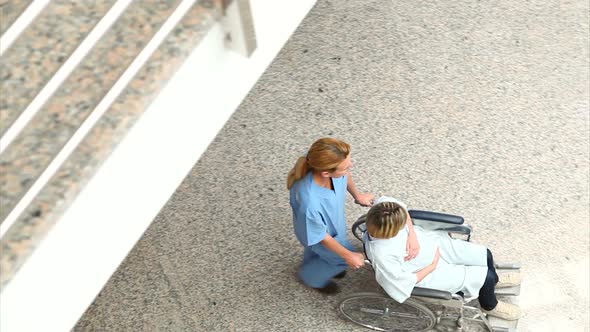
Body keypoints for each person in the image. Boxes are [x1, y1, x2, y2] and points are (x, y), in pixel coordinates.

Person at [364, 196, 523, 321]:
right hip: (425, 273)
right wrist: (432, 266)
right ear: (391, 231)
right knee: (484, 277)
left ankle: (493, 282)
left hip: (432, 244)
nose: (405, 223)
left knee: (484, 254)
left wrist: (411, 235)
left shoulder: (383, 210)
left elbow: (402, 211)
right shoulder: (382, 255)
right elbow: (399, 282)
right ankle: (490, 305)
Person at [287, 137, 377, 294]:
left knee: (318, 251)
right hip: (319, 233)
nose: (351, 166)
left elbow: (345, 175)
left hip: (327, 225)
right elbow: (320, 235)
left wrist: (358, 195)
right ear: (326, 173)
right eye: (345, 167)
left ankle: (322, 264)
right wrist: (348, 256)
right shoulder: (310, 202)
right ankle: (311, 277)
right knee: (339, 260)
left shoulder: (327, 166)